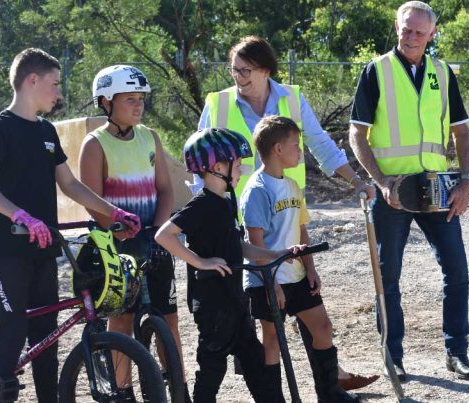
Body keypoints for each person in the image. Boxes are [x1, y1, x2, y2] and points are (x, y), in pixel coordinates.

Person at [197, 34, 378, 391]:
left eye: (246, 70)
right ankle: (266, 391)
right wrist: (204, 215)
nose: (238, 76)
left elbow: (321, 144)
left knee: (305, 312)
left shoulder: (291, 98)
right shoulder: (218, 104)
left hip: (290, 218)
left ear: (266, 70)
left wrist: (355, 179)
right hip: (240, 224)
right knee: (257, 320)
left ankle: (328, 386)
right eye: (234, 69)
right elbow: (200, 160)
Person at [0, 48, 142, 403]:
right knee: (12, 328)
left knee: (46, 335)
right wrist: (21, 215)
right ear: (32, 81)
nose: (59, 93)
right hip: (9, 250)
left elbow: (72, 185)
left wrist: (114, 213)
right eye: (55, 84)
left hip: (44, 249)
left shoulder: (47, 132)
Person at [348, 1, 469, 381]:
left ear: (432, 34)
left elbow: (462, 132)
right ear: (396, 26)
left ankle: (457, 352)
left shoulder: (442, 72)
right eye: (406, 29)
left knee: (457, 272)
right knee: (387, 277)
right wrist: (381, 181)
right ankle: (393, 357)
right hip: (394, 193)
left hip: (438, 190)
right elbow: (357, 134)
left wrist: (466, 180)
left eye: (420, 32)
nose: (412, 37)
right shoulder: (377, 71)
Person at [155, 127, 303, 403]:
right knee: (213, 368)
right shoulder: (202, 205)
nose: (241, 170)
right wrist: (200, 261)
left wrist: (275, 254)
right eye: (237, 164)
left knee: (254, 362)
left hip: (235, 300)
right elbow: (164, 235)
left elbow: (238, 246)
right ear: (216, 167)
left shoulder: (227, 199)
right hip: (213, 306)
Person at [79, 65, 185, 390]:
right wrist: (114, 226)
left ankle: (178, 388)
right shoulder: (94, 145)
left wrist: (159, 228)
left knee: (169, 317)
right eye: (129, 99)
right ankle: (122, 391)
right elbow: (92, 200)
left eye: (141, 99)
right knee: (122, 320)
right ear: (106, 102)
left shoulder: (150, 137)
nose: (138, 105)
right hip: (116, 244)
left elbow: (165, 190)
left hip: (152, 238)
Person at [241, 116, 360, 402]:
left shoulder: (293, 186)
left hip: (296, 276)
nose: (300, 151)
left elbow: (302, 230)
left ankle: (329, 393)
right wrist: (274, 286)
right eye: (295, 145)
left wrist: (310, 268)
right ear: (278, 149)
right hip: (267, 280)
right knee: (272, 341)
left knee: (323, 327)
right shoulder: (257, 190)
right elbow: (254, 243)